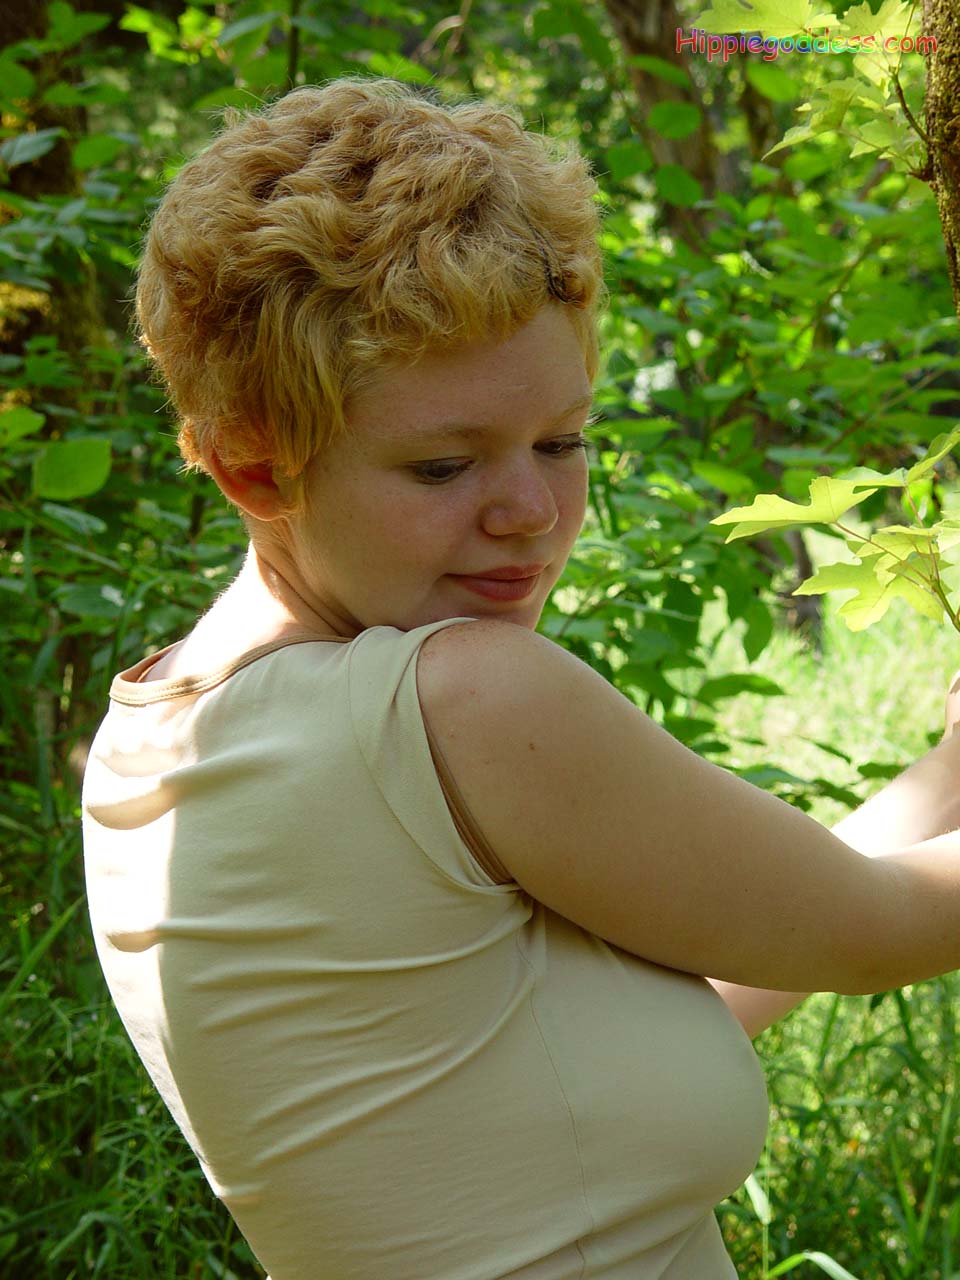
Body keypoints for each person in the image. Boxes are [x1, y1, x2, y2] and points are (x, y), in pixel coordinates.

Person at [81, 77, 960, 1280]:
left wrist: (947, 768)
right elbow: (874, 932)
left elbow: (737, 950)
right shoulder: (461, 697)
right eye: (444, 466)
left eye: (563, 441)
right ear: (252, 466)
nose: (534, 512)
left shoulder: (153, 743)